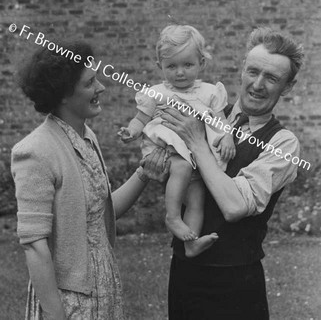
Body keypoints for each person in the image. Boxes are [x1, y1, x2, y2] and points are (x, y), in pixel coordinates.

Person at [11, 40, 167, 320]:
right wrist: (54, 313)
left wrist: (143, 173)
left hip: (102, 284)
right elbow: (34, 244)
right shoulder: (34, 151)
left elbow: (100, 213)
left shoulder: (87, 137)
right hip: (66, 297)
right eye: (90, 83)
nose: (101, 88)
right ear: (63, 95)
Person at [161, 27, 304, 320]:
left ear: (287, 87)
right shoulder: (204, 111)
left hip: (236, 284)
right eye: (253, 71)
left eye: (272, 78)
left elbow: (235, 207)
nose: (258, 84)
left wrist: (197, 143)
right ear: (242, 70)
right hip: (184, 273)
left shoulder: (283, 142)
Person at [118, 25, 235, 257]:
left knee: (197, 200)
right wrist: (131, 132)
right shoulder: (156, 93)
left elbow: (221, 122)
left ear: (202, 63)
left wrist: (228, 137)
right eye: (172, 66)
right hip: (169, 151)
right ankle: (172, 216)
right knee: (180, 167)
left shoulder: (210, 92)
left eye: (187, 65)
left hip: (198, 158)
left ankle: (191, 244)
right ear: (159, 66)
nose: (180, 72)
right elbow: (140, 118)